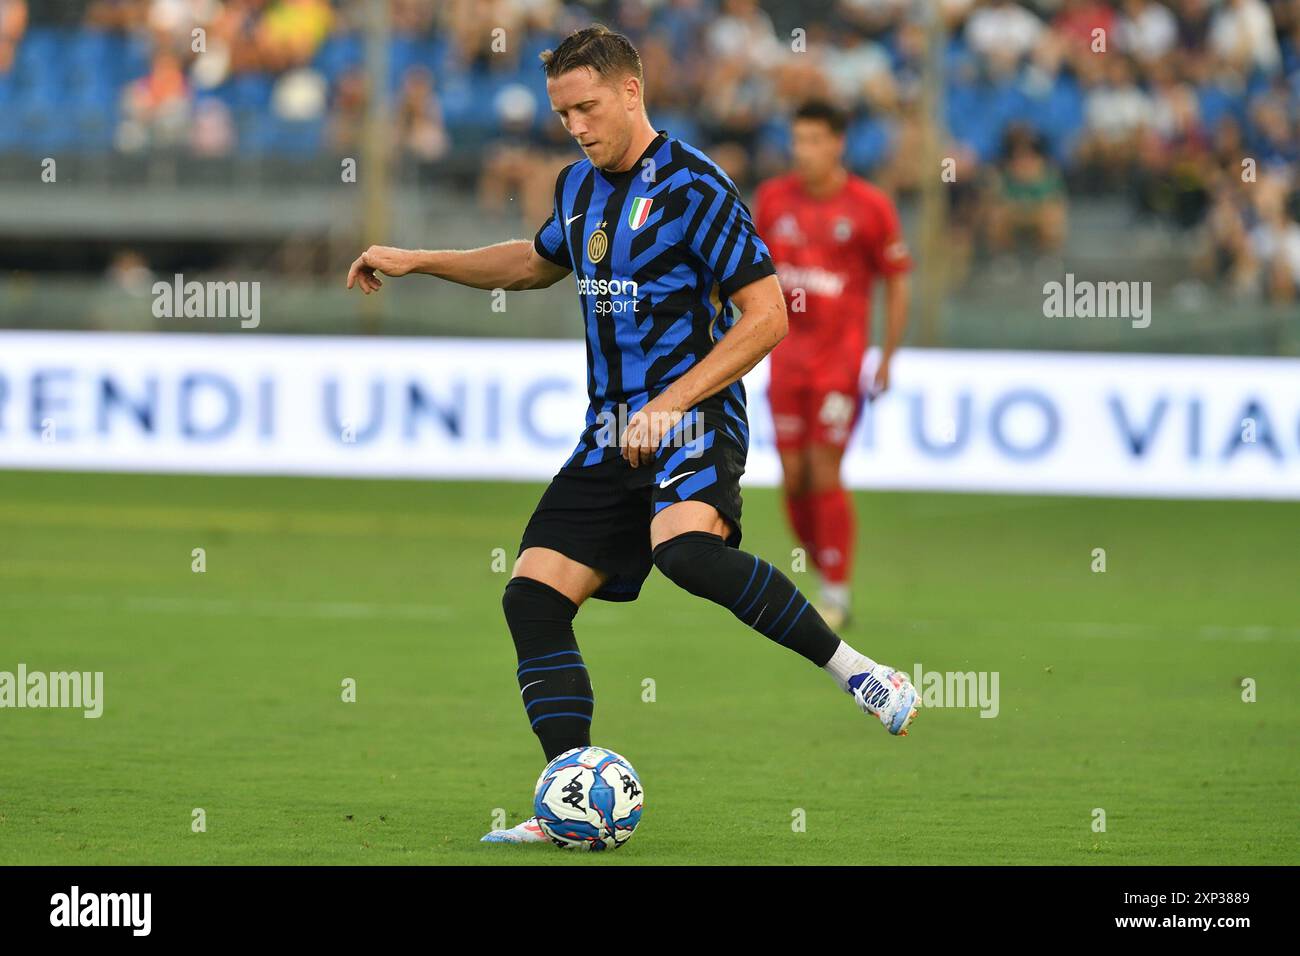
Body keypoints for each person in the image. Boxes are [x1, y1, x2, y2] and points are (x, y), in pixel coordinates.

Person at [345, 24, 919, 847]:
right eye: (561, 111)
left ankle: (857, 673)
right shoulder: (576, 188)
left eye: (586, 106)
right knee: (532, 598)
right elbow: (533, 262)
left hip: (692, 416)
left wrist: (672, 401)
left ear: (629, 92)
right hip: (610, 431)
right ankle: (571, 793)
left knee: (686, 553)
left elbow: (765, 318)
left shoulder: (697, 188)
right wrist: (418, 258)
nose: (575, 125)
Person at [753, 100, 912, 629]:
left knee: (824, 470)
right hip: (784, 362)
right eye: (798, 140)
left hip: (839, 364)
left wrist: (885, 357)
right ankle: (828, 570)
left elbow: (896, 279)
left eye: (815, 140)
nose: (805, 151)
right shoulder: (773, 200)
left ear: (838, 144)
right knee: (793, 479)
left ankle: (836, 593)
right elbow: (749, 273)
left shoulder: (869, 206)